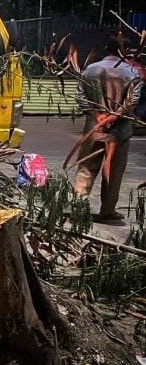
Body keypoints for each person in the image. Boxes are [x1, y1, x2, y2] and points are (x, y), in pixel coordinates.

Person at [73, 34, 142, 224]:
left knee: (86, 168)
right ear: (125, 51)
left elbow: (80, 97)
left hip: (94, 129)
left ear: (107, 49)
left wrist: (98, 116)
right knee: (113, 171)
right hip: (119, 132)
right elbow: (132, 102)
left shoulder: (90, 69)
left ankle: (78, 208)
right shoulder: (131, 73)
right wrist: (114, 116)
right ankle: (108, 211)